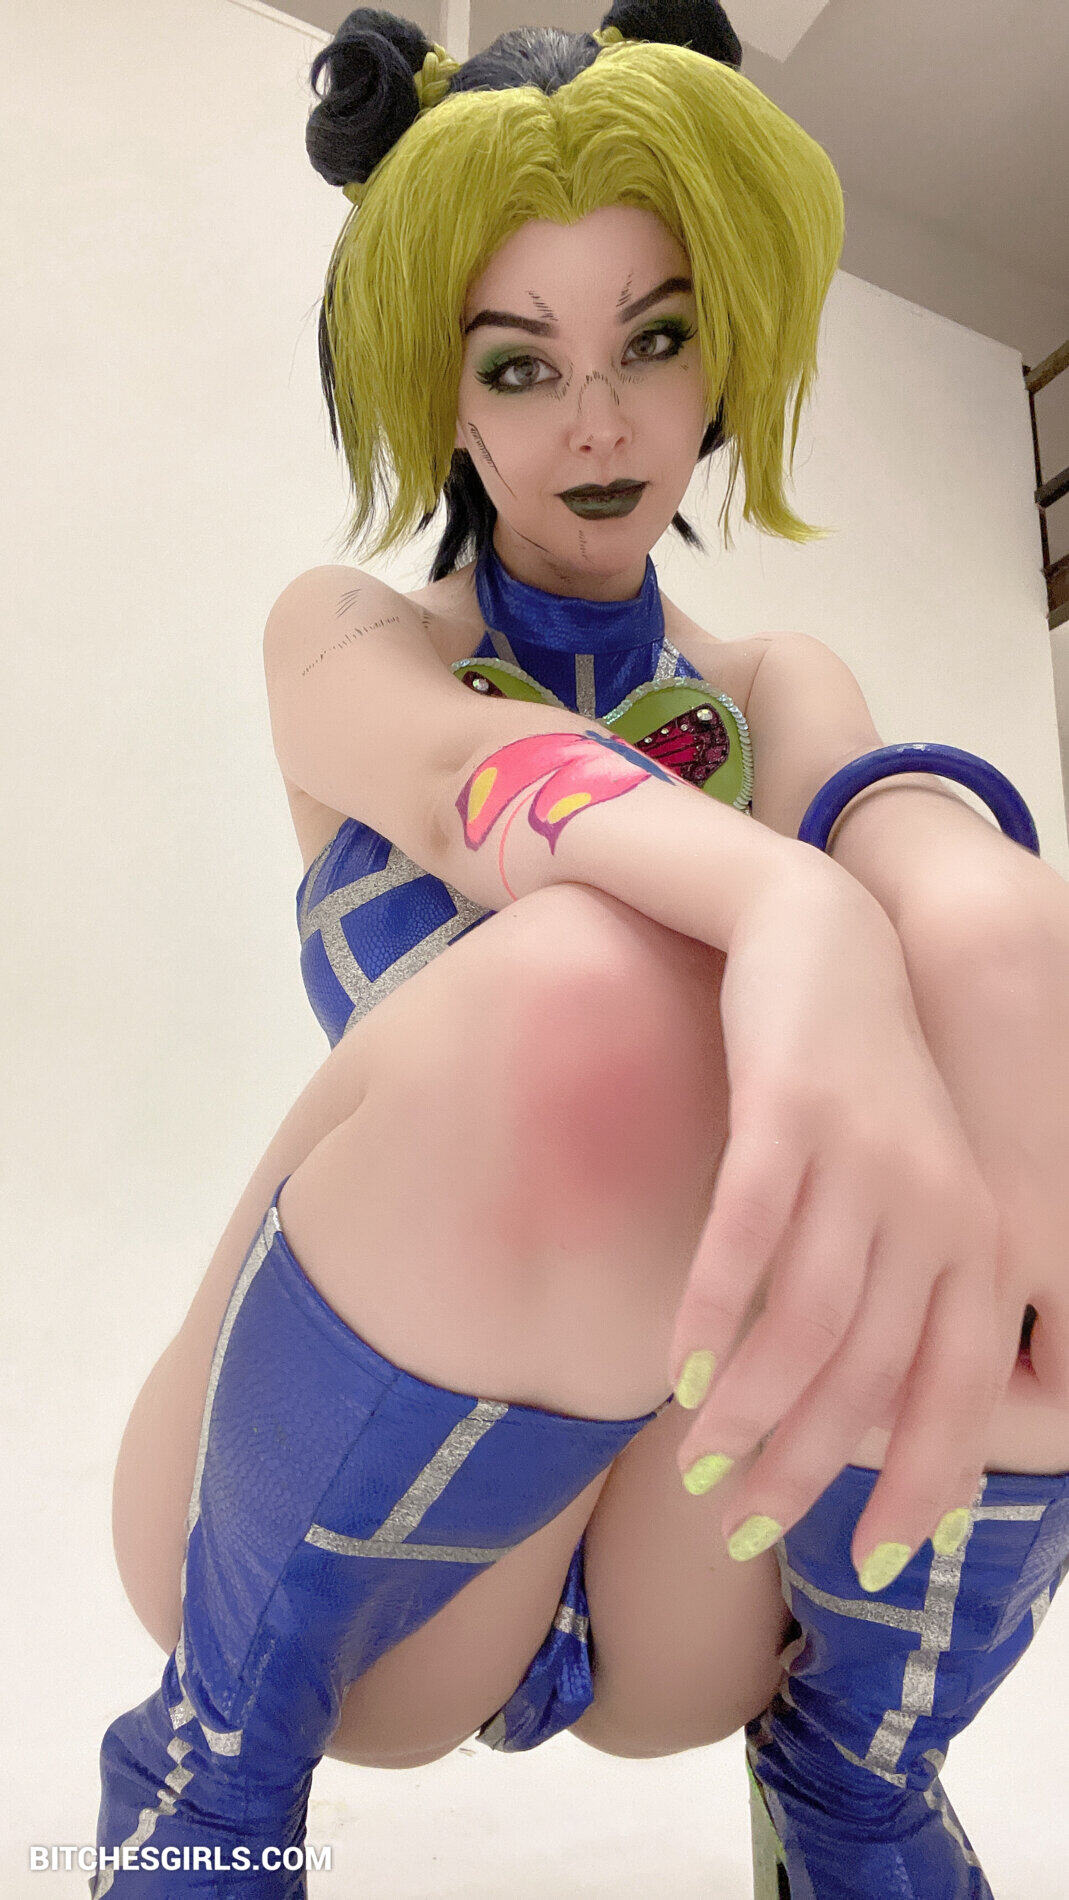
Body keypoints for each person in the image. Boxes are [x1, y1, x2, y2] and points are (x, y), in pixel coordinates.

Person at [93, 4, 1069, 1895]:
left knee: (1004, 943)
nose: (598, 421)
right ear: (443, 397)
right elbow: (469, 785)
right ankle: (201, 1789)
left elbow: (914, 852)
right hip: (356, 1540)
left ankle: (854, 1784)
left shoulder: (775, 682)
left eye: (655, 340)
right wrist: (785, 900)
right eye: (519, 364)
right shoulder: (347, 635)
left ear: (727, 355)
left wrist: (946, 916)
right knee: (595, 981)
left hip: (704, 1536)